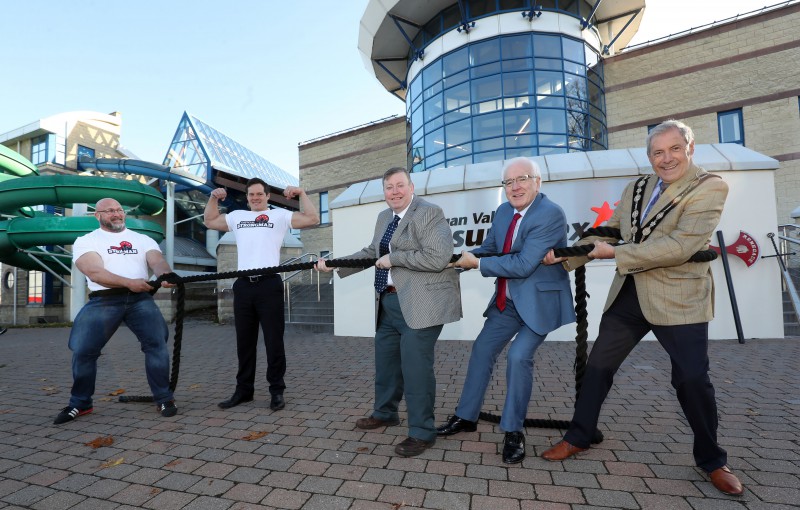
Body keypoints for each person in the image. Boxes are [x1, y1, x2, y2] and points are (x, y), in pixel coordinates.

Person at [540, 120, 743, 496]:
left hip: (678, 297)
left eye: (674, 149)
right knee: (598, 366)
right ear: (649, 156)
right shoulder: (637, 186)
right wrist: (569, 253)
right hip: (630, 293)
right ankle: (579, 436)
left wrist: (613, 253)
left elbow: (679, 246)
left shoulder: (709, 186)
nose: (666, 159)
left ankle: (712, 460)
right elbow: (613, 229)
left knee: (691, 380)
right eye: (657, 152)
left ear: (690, 147)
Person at [435, 157, 575, 464]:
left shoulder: (550, 214)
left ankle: (514, 432)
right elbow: (493, 248)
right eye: (509, 182)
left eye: (522, 179)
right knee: (482, 350)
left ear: (538, 182)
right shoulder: (502, 212)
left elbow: (524, 264)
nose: (515, 187)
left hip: (538, 304)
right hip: (507, 302)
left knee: (518, 356)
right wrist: (459, 259)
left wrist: (479, 263)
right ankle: (467, 417)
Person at [316, 167, 462, 457]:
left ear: (411, 187)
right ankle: (385, 413)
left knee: (416, 370)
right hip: (388, 301)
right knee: (386, 365)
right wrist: (335, 264)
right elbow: (372, 251)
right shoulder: (384, 217)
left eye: (399, 186)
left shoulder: (429, 212)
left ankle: (422, 432)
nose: (394, 192)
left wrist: (393, 258)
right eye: (388, 187)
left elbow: (438, 257)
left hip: (422, 303)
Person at [54, 198, 177, 425]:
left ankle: (163, 398)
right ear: (97, 215)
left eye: (120, 209)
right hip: (104, 300)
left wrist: (165, 274)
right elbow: (95, 272)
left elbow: (157, 260)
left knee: (157, 345)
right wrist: (129, 282)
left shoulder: (142, 239)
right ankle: (80, 403)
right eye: (109, 211)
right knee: (83, 350)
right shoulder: (86, 241)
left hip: (140, 300)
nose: (116, 214)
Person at [204, 178, 319, 411]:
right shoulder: (237, 217)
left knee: (273, 341)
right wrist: (213, 197)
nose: (255, 198)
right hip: (244, 285)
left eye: (259, 194)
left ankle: (276, 391)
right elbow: (209, 220)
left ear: (267, 196)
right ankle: (244, 391)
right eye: (251, 195)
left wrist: (302, 194)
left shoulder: (280, 215)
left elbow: (312, 218)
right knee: (244, 343)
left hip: (269, 285)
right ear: (247, 197)